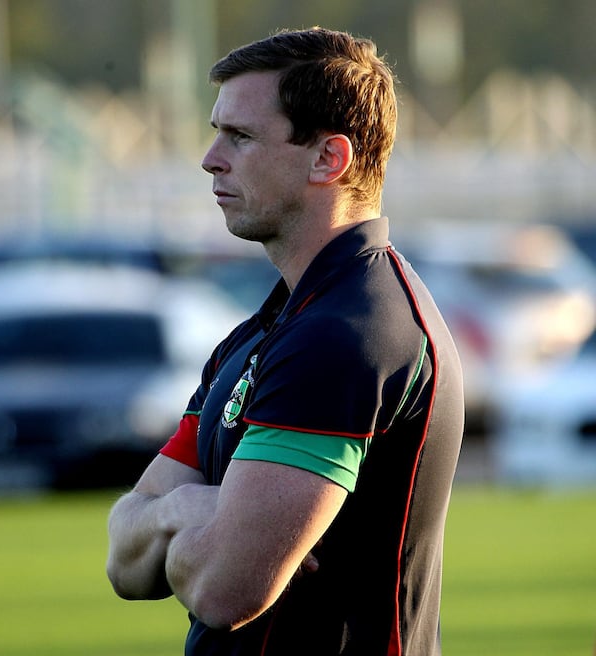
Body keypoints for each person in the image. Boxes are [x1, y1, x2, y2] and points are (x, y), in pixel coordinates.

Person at [106, 26, 464, 656]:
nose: (210, 158)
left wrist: (194, 524)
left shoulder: (347, 334)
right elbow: (123, 560)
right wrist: (183, 510)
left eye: (239, 136)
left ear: (329, 158)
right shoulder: (271, 327)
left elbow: (225, 590)